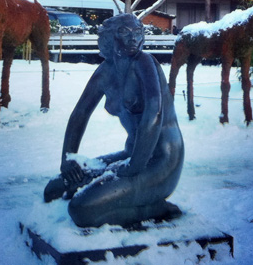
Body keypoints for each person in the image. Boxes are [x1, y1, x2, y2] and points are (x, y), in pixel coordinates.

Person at [44, 13, 184, 228]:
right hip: (131, 155)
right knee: (55, 189)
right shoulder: (106, 71)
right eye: (124, 32)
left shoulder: (144, 63)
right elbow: (80, 113)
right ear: (110, 37)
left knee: (81, 210)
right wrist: (68, 159)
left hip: (161, 161)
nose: (133, 38)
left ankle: (154, 208)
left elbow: (153, 114)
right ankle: (130, 202)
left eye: (138, 32)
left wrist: (135, 166)